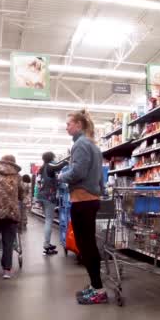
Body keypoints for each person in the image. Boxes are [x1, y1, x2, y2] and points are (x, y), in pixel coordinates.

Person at [58, 109, 107, 305]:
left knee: (86, 246)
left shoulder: (80, 144)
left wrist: (61, 176)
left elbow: (78, 172)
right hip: (90, 200)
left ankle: (99, 289)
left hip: (82, 202)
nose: (66, 126)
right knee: (88, 245)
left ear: (78, 124)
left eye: (69, 123)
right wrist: (99, 192)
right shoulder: (93, 146)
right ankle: (96, 286)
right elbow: (100, 176)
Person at [0, 154, 24, 279]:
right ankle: (7, 270)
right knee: (8, 242)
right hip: (12, 213)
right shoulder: (17, 176)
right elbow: (22, 194)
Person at [37, 152, 59, 255]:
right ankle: (46, 244)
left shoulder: (42, 168)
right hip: (49, 196)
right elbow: (61, 166)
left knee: (47, 220)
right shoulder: (50, 167)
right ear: (51, 158)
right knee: (49, 220)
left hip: (41, 196)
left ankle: (47, 243)